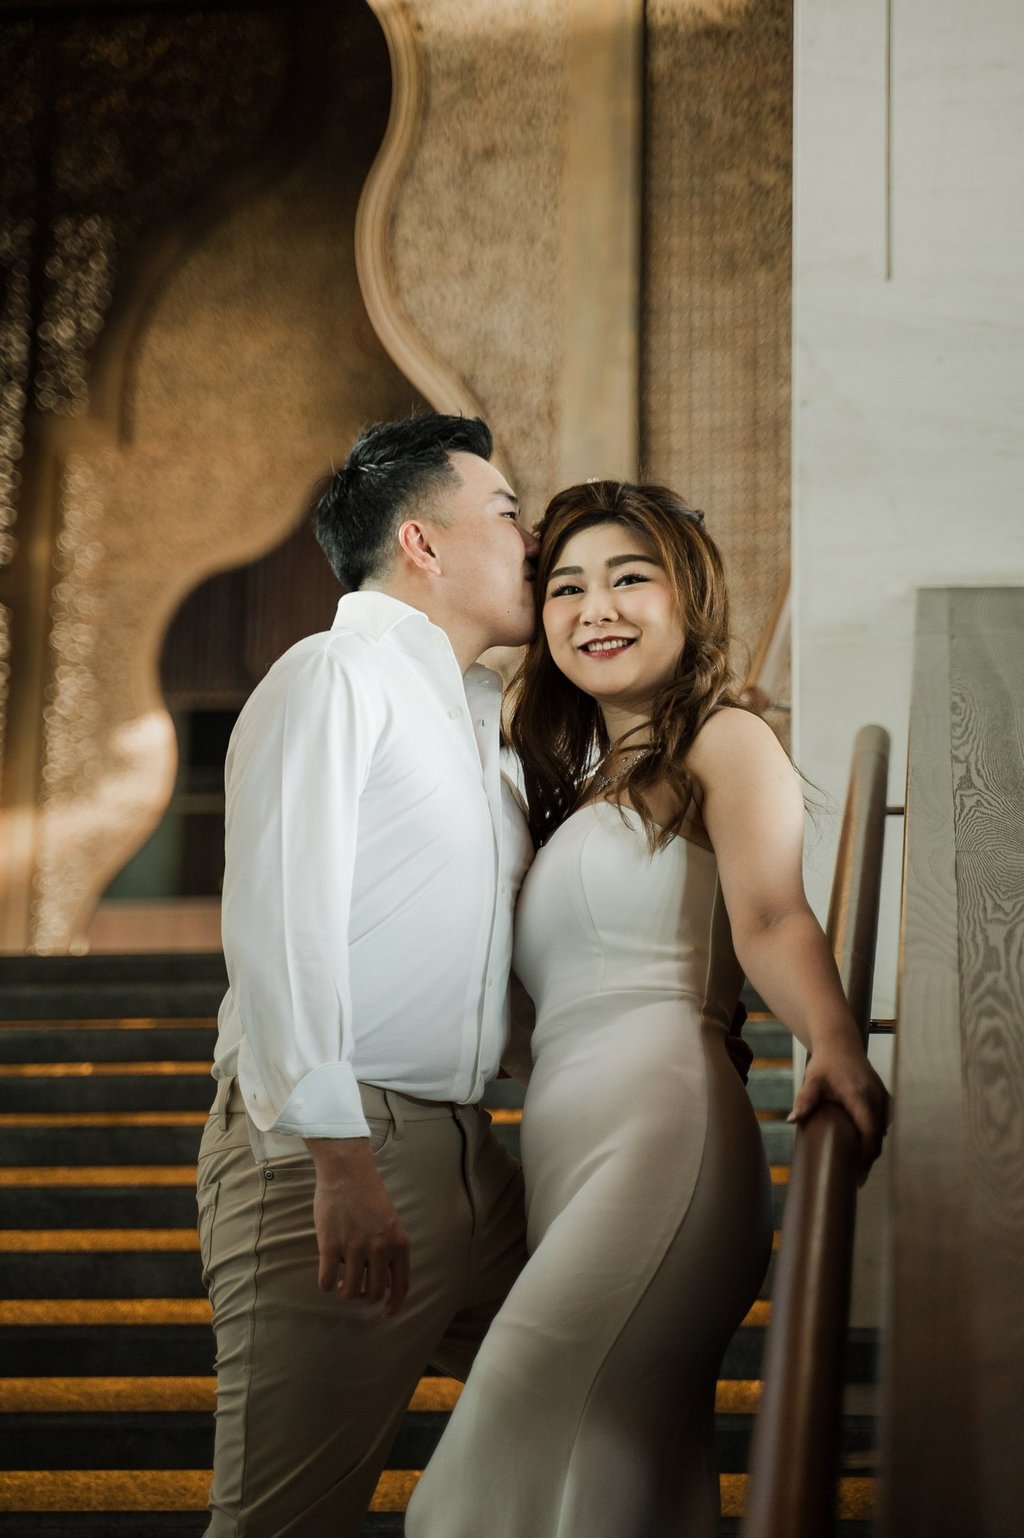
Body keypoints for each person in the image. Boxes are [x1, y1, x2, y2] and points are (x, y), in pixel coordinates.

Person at [405, 480, 889, 1538]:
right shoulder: (578, 782)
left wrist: (834, 1041)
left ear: (688, 597)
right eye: (566, 586)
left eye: (630, 577)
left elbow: (769, 915)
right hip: (565, 1150)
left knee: (507, 1440)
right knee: (621, 1469)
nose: (594, 608)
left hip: (662, 1133)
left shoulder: (724, 737)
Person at [196, 413, 541, 1537]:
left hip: (469, 1152)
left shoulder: (480, 726)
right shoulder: (333, 674)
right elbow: (278, 920)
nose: (530, 537)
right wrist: (335, 1154)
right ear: (421, 544)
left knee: (591, 1400)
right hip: (337, 1156)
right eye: (505, 512)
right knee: (284, 1520)